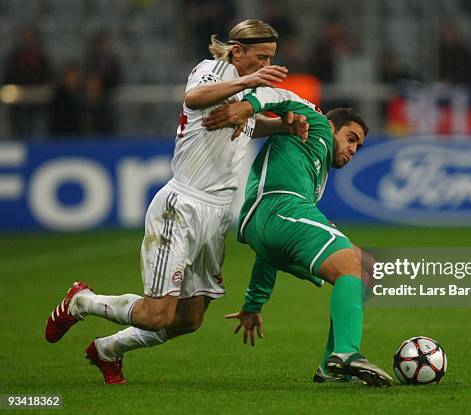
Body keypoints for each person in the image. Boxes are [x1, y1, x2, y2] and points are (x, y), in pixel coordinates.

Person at [44, 19, 307, 384]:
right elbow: (193, 99)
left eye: (270, 59)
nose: (265, 66)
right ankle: (82, 301)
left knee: (189, 319)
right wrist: (250, 84)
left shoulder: (242, 92)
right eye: (260, 58)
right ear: (237, 51)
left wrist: (281, 125)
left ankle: (107, 350)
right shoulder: (211, 71)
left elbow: (247, 124)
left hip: (216, 215)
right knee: (157, 315)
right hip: (181, 206)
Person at [204, 90, 393, 387]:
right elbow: (279, 97)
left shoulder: (314, 175)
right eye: (351, 137)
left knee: (367, 271)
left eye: (359, 144)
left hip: (268, 225)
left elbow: (270, 254)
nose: (354, 148)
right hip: (278, 208)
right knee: (355, 266)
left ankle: (331, 367)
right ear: (332, 127)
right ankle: (345, 354)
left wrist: (254, 304)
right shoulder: (316, 124)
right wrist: (247, 106)